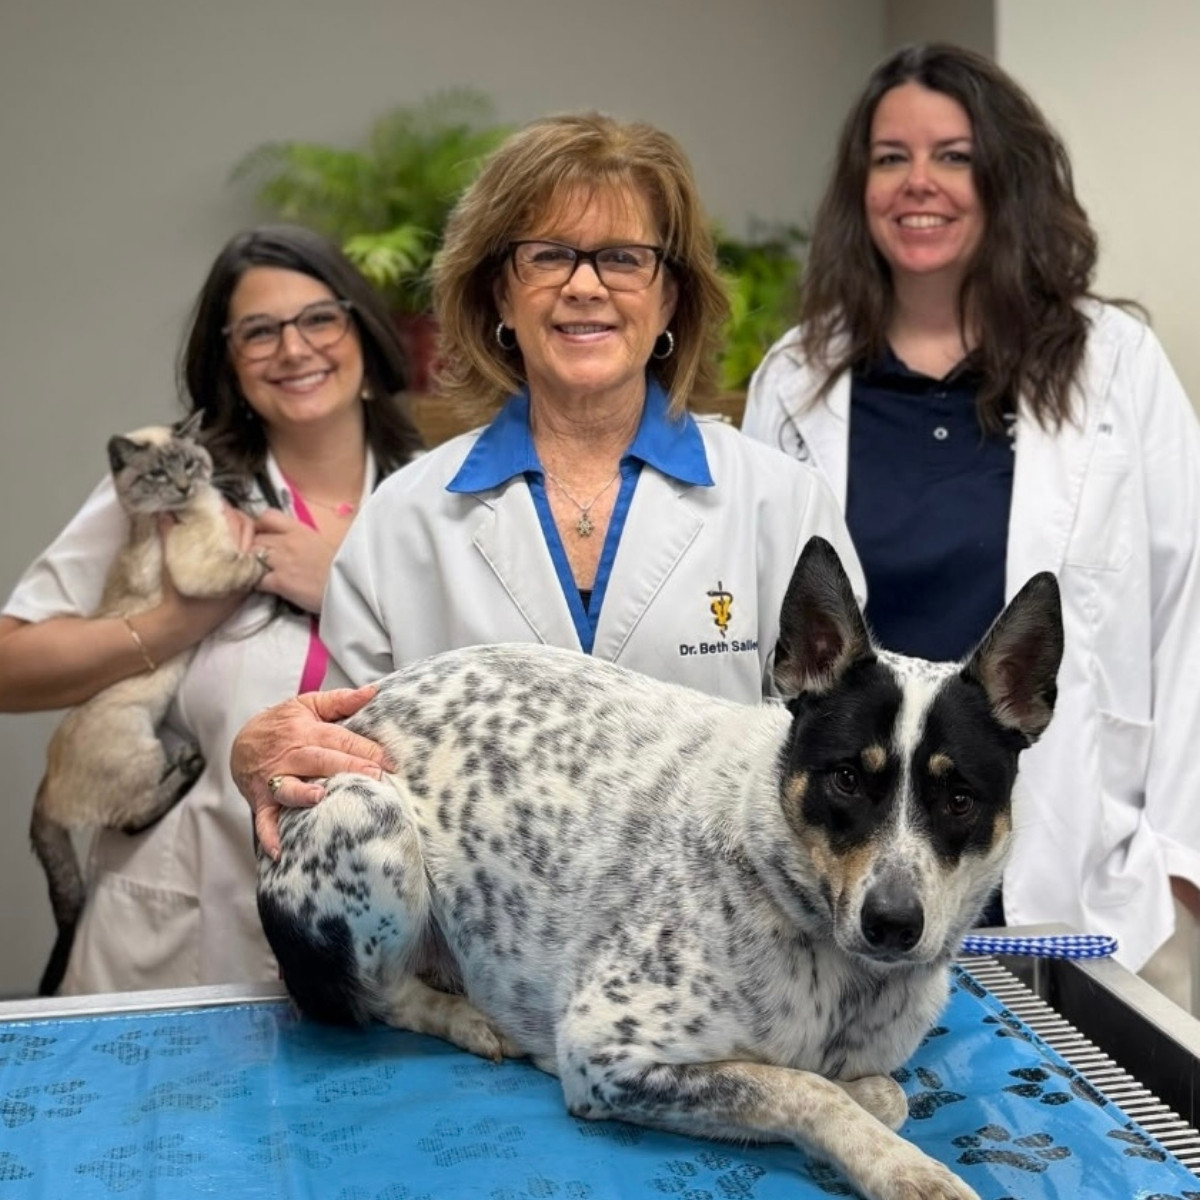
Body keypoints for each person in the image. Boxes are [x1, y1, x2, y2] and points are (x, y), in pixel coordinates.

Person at [230, 112, 864, 857]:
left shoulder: (780, 504)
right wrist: (277, 758)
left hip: (721, 955)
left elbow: (835, 759)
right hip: (472, 959)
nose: (584, 286)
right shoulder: (406, 519)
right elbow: (349, 782)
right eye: (548, 257)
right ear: (500, 294)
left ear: (670, 299)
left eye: (623, 258)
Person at [741, 43, 1200, 1006]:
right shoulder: (797, 379)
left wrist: (1183, 858)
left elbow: (1189, 607)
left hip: (1086, 880)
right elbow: (767, 637)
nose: (920, 184)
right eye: (890, 157)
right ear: (858, 185)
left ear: (1005, 175)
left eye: (953, 155)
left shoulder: (1113, 365)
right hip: (854, 894)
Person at [0, 224, 423, 994]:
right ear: (228, 361)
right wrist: (175, 623)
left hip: (383, 929)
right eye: (259, 332)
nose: (294, 350)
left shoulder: (434, 496)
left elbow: (492, 681)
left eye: (319, 318)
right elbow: (8, 667)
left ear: (362, 330)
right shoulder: (173, 491)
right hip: (177, 930)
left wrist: (340, 590)